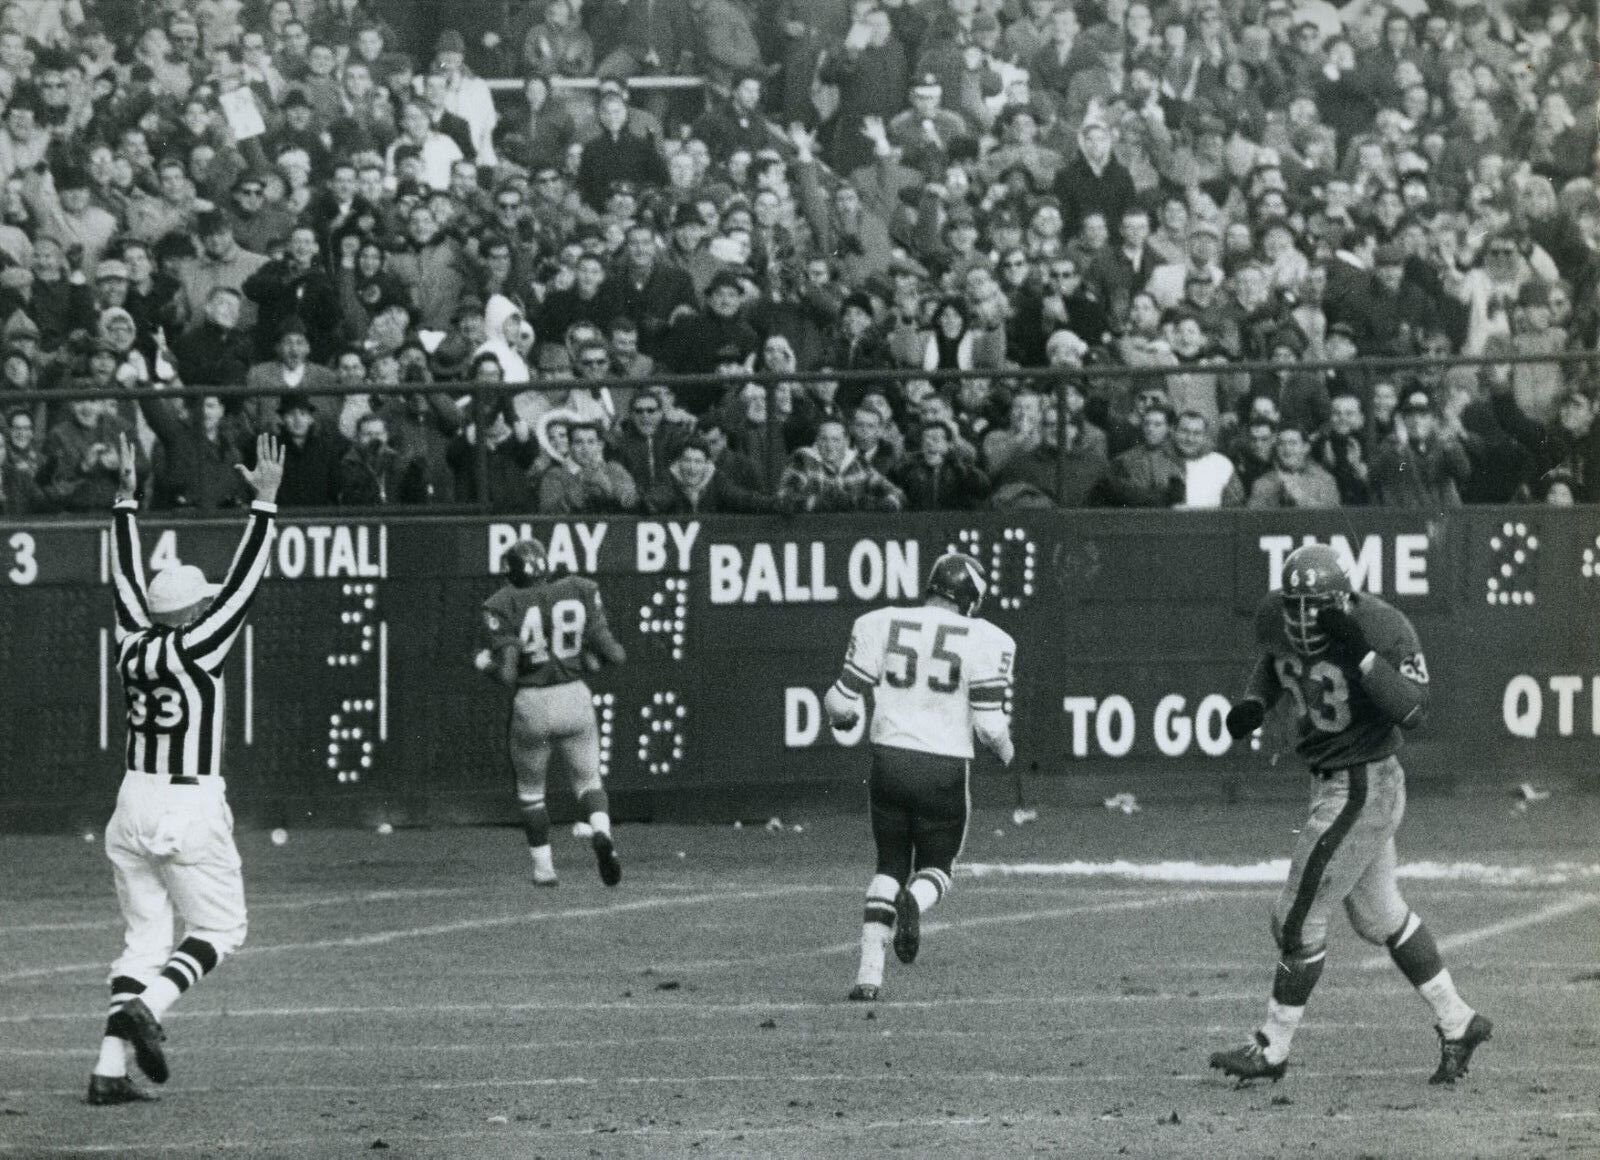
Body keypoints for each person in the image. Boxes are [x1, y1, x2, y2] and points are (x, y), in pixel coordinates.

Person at [1212, 544, 1491, 1087]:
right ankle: (1458, 1021)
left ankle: (1272, 1047)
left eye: (1315, 606)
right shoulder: (1277, 617)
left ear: (1343, 598)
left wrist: (1363, 655)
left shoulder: (1383, 626)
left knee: (1295, 918)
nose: (1301, 617)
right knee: (1380, 917)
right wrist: (1255, 702)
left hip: (1363, 783)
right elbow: (1274, 661)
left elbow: (1414, 709)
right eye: (1294, 604)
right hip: (1334, 782)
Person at [89, 432, 283, 1105]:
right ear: (191, 609)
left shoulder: (132, 646)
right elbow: (243, 585)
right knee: (222, 929)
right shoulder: (199, 644)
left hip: (132, 801)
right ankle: (155, 1006)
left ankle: (109, 1070)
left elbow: (123, 585)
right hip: (186, 802)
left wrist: (124, 503)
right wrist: (264, 506)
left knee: (144, 938)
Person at [823, 553, 1016, 1002]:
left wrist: (845, 719)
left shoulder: (881, 622)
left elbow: (838, 700)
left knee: (889, 864)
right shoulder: (987, 637)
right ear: (969, 599)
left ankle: (869, 974)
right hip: (943, 767)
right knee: (937, 868)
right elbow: (989, 726)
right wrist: (1007, 752)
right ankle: (917, 900)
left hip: (889, 761)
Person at [474, 538, 627, 887]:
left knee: (531, 791)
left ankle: (544, 870)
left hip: (532, 703)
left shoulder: (504, 603)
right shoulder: (577, 589)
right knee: (589, 782)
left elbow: (509, 674)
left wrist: (485, 665)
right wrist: (593, 659)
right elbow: (616, 655)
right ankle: (601, 833)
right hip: (575, 697)